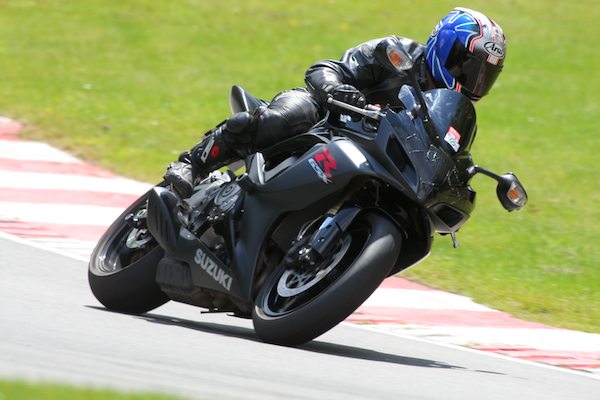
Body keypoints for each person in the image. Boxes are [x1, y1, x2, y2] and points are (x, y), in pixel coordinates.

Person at [165, 7, 506, 197]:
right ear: (444, 47)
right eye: (468, 67)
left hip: (374, 164)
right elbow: (327, 69)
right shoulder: (397, 53)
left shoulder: (453, 113)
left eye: (484, 76)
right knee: (290, 114)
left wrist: (459, 179)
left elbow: (445, 154)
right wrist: (336, 91)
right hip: (327, 123)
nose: (474, 81)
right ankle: (194, 164)